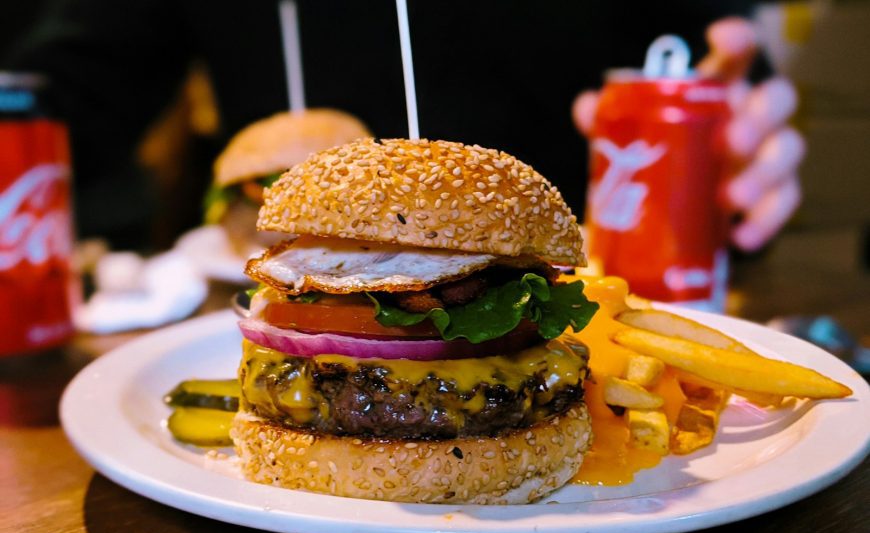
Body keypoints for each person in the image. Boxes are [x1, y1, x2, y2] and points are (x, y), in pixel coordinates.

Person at [2, 1, 802, 252]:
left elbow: (713, 57)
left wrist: (740, 142)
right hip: (269, 294)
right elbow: (63, 91)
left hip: (595, 263)